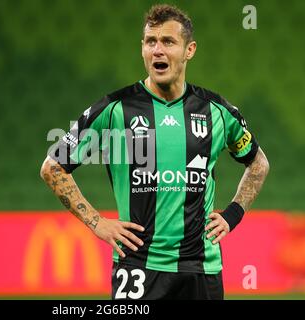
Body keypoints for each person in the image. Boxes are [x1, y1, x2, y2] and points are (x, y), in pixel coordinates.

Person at [40, 4, 269, 300]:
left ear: (190, 50)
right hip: (137, 268)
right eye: (151, 42)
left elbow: (258, 163)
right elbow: (52, 166)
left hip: (201, 268)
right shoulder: (114, 109)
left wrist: (233, 213)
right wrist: (97, 223)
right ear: (143, 49)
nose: (157, 50)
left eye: (168, 42)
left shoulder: (217, 111)